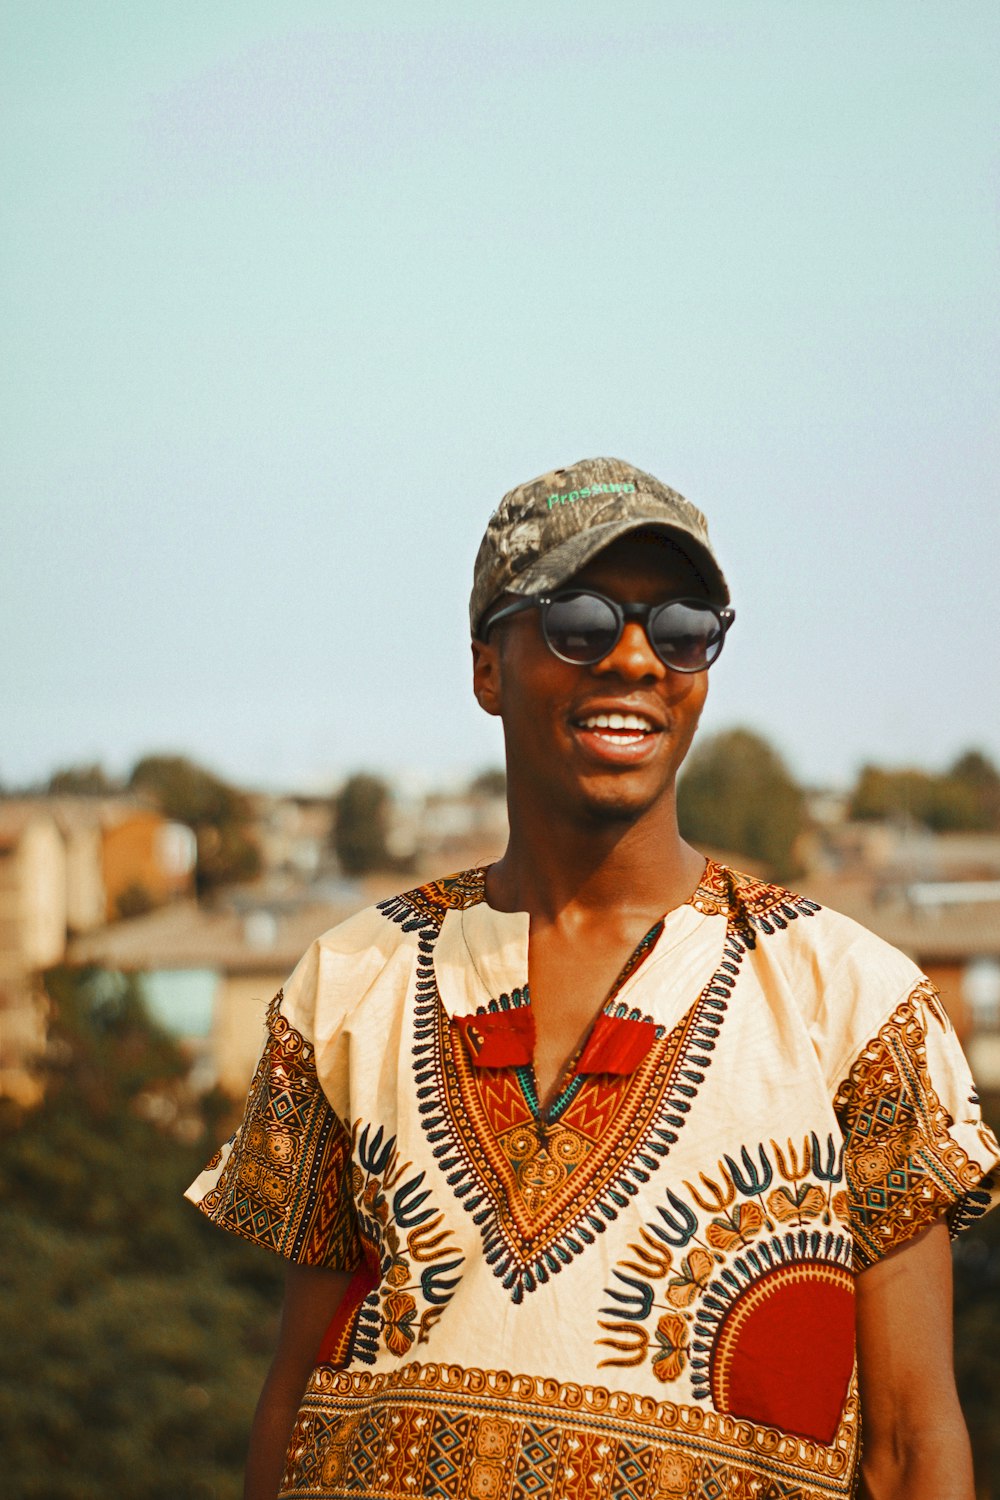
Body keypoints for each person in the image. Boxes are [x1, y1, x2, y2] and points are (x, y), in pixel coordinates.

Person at [187, 456, 1000, 1500]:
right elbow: (294, 1393)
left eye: (680, 628)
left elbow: (913, 1449)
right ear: (487, 667)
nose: (634, 660)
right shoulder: (350, 984)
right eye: (577, 620)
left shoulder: (854, 1002)